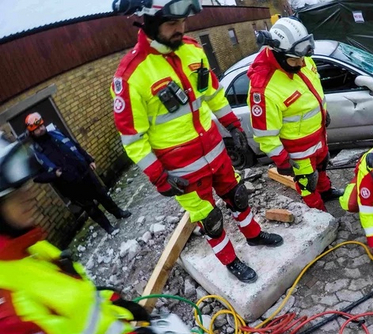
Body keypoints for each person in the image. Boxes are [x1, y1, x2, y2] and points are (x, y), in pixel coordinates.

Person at [111, 0, 282, 283]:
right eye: (172, 24)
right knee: (210, 219)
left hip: (215, 151)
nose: (180, 29)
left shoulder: (192, 48)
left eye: (182, 23)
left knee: (238, 197)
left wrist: (233, 126)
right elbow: (133, 140)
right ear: (150, 24)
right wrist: (159, 177)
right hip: (182, 170)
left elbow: (213, 94)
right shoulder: (132, 75)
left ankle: (253, 235)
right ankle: (230, 261)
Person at [0, 134, 162, 334]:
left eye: (24, 186)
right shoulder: (6, 309)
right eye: (14, 195)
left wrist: (114, 301)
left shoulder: (33, 249)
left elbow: (76, 297)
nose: (29, 195)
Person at [247, 17, 343, 212]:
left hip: (318, 136)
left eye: (302, 58)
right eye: (295, 60)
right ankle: (320, 213)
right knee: (307, 184)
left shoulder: (299, 58)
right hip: (298, 151)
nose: (302, 63)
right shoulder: (264, 88)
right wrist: (283, 161)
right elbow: (265, 136)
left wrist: (324, 114)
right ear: (279, 54)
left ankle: (326, 192)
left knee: (323, 168)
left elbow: (312, 92)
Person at [25, 112, 131, 235]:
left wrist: (89, 159)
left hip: (84, 171)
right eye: (37, 129)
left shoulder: (56, 133)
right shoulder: (36, 152)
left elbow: (75, 145)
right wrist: (55, 175)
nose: (41, 129)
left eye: (41, 125)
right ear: (32, 132)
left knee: (102, 194)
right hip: (70, 184)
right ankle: (108, 228)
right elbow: (37, 177)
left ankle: (118, 213)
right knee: (90, 207)